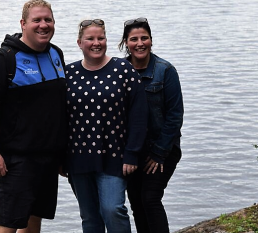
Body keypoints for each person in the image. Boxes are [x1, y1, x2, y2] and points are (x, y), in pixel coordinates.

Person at [0, 0, 67, 233]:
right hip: (17, 159)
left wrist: (61, 153)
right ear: (23, 23)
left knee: (34, 219)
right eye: (36, 20)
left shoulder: (56, 54)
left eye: (48, 19)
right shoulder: (4, 60)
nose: (43, 25)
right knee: (8, 223)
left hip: (48, 158)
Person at [65, 18, 147, 233]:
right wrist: (59, 158)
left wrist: (132, 153)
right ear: (79, 42)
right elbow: (60, 119)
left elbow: (139, 115)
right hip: (78, 157)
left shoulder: (123, 69)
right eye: (90, 39)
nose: (96, 43)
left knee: (113, 209)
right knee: (90, 217)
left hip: (115, 156)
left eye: (100, 38)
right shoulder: (68, 74)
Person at [118, 17, 184, 233]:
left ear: (151, 41)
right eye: (134, 39)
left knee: (150, 198)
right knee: (136, 202)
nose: (140, 43)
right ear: (126, 43)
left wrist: (159, 154)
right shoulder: (119, 71)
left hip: (162, 149)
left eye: (144, 38)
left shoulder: (165, 71)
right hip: (132, 152)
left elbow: (175, 115)